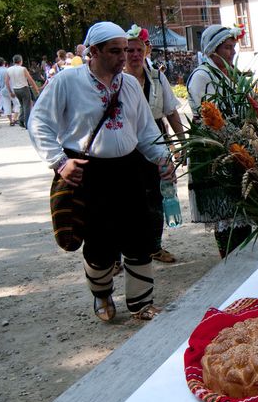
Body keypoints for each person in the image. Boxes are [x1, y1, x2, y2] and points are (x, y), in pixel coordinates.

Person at [28, 21, 174, 322]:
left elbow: (145, 130)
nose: (124, 57)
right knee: (100, 241)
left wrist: (162, 157)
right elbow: (39, 123)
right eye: (115, 51)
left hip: (129, 168)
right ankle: (102, 294)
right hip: (89, 173)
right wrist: (60, 162)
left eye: (125, 50)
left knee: (140, 235)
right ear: (93, 52)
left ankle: (141, 303)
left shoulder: (129, 84)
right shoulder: (67, 82)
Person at [185, 24, 251, 256]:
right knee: (226, 212)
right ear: (213, 50)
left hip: (234, 145)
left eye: (233, 47)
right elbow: (209, 116)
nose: (232, 52)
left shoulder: (231, 74)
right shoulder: (202, 76)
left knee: (241, 209)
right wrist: (231, 138)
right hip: (214, 148)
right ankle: (230, 259)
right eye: (227, 48)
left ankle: (241, 257)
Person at [125, 24, 186, 263]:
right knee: (127, 196)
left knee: (159, 193)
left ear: (146, 51)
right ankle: (121, 253)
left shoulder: (158, 77)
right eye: (129, 50)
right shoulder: (117, 79)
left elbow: (171, 111)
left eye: (139, 50)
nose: (134, 55)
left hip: (157, 138)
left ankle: (154, 246)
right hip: (127, 145)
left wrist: (182, 142)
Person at [6, 55, 40, 129]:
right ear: (20, 61)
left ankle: (21, 120)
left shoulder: (9, 69)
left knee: (22, 105)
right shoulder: (23, 69)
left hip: (15, 89)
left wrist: (10, 92)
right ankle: (27, 123)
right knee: (27, 106)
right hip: (24, 88)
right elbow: (30, 80)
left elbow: (7, 82)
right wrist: (36, 89)